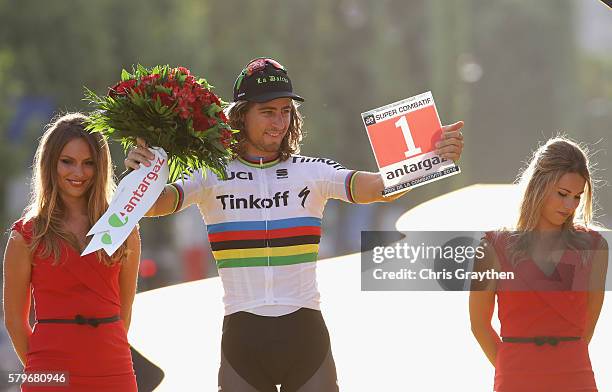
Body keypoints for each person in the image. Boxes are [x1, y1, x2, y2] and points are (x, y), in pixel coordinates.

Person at [125, 57, 465, 392]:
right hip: (242, 338)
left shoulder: (311, 171)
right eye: (268, 111)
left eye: (286, 111)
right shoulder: (212, 174)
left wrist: (430, 158)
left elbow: (377, 188)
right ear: (241, 116)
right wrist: (140, 172)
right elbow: (155, 205)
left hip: (305, 336)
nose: (279, 122)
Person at [3, 113, 140, 391]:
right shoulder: (26, 235)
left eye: (88, 163)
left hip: (113, 369)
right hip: (49, 372)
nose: (78, 173)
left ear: (100, 167)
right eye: (67, 161)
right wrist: (42, 368)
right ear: (50, 163)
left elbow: (125, 311)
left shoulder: (124, 227)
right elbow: (15, 321)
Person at [469, 137, 608, 392]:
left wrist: (561, 361)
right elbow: (479, 324)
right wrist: (512, 367)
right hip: (515, 379)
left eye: (577, 197)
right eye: (563, 194)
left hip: (575, 378)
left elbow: (587, 325)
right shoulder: (493, 246)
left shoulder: (594, 247)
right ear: (539, 184)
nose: (570, 206)